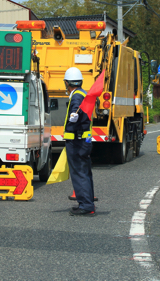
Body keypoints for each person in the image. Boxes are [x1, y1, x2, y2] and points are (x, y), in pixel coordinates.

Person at [63, 67, 96, 217]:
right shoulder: (83, 93)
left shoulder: (76, 96)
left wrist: (73, 119)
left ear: (67, 83)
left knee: (79, 173)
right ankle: (86, 202)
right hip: (84, 141)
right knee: (85, 173)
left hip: (77, 142)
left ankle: (86, 205)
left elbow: (76, 111)